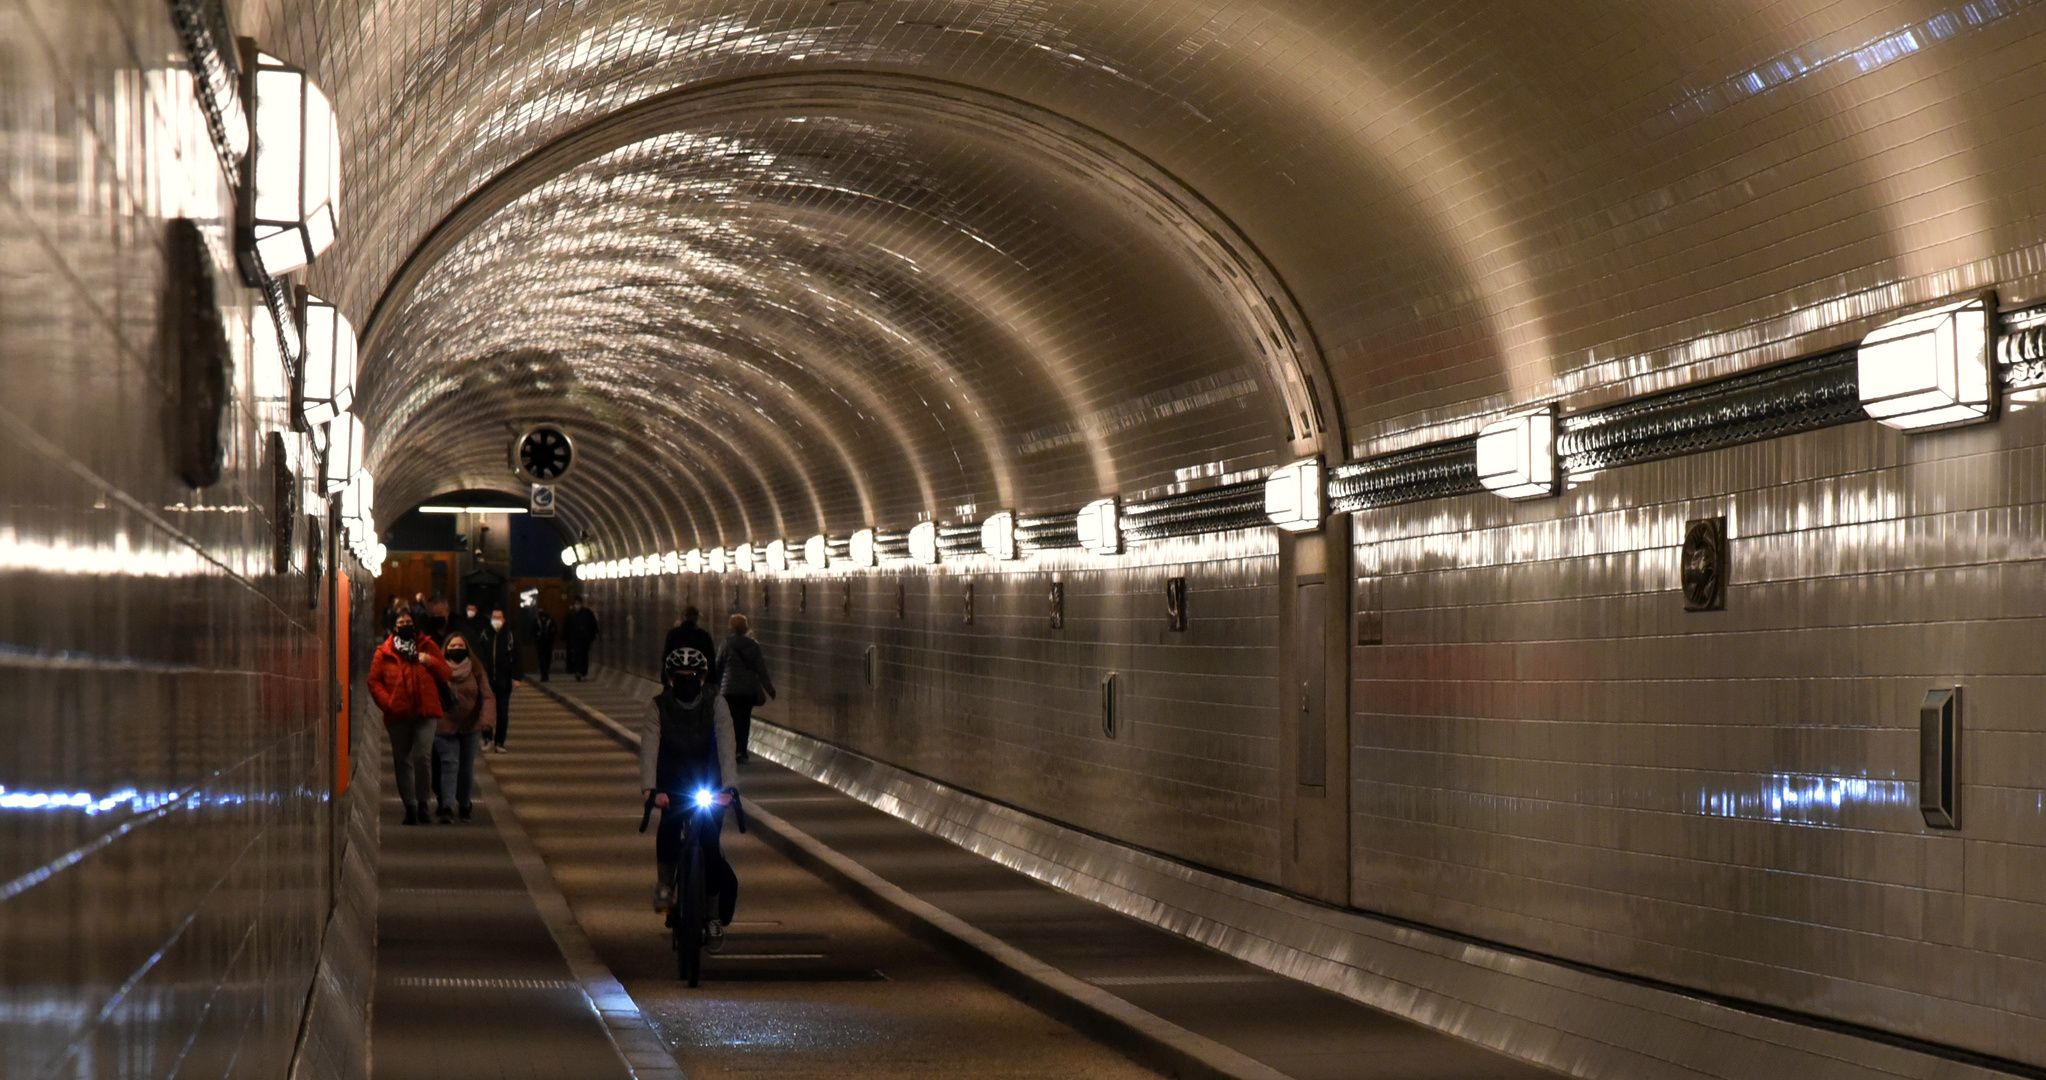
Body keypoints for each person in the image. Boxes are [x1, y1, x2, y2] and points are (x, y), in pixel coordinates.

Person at [640, 646, 739, 942]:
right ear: (670, 678)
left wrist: (730, 787)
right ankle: (664, 887)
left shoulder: (716, 704)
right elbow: (649, 746)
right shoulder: (659, 706)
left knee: (710, 844)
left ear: (702, 677)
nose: (686, 681)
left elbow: (726, 743)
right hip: (673, 782)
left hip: (708, 781)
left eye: (692, 675)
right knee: (669, 827)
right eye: (680, 676)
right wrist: (650, 788)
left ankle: (712, 915)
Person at [368, 610, 452, 826]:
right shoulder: (384, 652)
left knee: (422, 757)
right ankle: (410, 807)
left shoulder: (427, 646)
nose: (405, 624)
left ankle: (423, 803)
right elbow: (374, 682)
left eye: (408, 621)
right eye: (401, 622)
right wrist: (388, 703)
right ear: (395, 627)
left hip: (426, 712)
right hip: (398, 714)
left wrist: (430, 661)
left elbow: (446, 673)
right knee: (402, 759)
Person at [433, 631, 495, 823]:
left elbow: (487, 696)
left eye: (460, 646)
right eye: (453, 646)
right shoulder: (438, 668)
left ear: (467, 648)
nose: (456, 649)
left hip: (470, 726)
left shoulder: (475, 669)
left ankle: (465, 803)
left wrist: (487, 720)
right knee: (449, 765)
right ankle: (447, 807)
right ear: (446, 649)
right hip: (444, 725)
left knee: (466, 768)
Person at [716, 613, 775, 764]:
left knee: (730, 720)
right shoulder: (753, 645)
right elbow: (761, 669)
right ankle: (742, 751)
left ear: (731, 627)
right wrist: (769, 689)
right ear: (746, 627)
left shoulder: (726, 644)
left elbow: (718, 666)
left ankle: (731, 749)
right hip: (747, 690)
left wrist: (712, 686)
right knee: (744, 720)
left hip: (729, 690)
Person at [476, 607, 523, 753]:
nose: (496, 620)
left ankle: (500, 742)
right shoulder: (485, 635)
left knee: (502, 712)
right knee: (487, 711)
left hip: (504, 679)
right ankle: (487, 738)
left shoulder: (510, 636)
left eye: (499, 617)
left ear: (503, 619)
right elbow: (478, 655)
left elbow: (517, 658)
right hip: (487, 680)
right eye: (494, 617)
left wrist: (517, 677)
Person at [663, 605, 717, 685]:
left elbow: (666, 656)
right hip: (696, 677)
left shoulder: (672, 634)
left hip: (677, 676)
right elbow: (710, 658)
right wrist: (711, 679)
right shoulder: (703, 635)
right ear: (696, 618)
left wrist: (665, 678)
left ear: (684, 617)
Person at [564, 597, 599, 680]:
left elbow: (593, 625)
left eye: (578, 603)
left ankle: (583, 672)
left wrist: (591, 636)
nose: (577, 605)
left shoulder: (587, 613)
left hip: (585, 639)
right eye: (575, 603)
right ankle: (578, 671)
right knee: (577, 655)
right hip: (575, 639)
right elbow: (567, 627)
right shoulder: (571, 614)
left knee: (583, 656)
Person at [532, 605, 557, 682]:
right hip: (540, 643)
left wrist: (551, 634)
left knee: (547, 659)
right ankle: (544, 675)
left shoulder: (550, 621)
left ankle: (546, 675)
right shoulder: (537, 621)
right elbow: (532, 631)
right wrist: (537, 635)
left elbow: (555, 630)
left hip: (548, 643)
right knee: (542, 660)